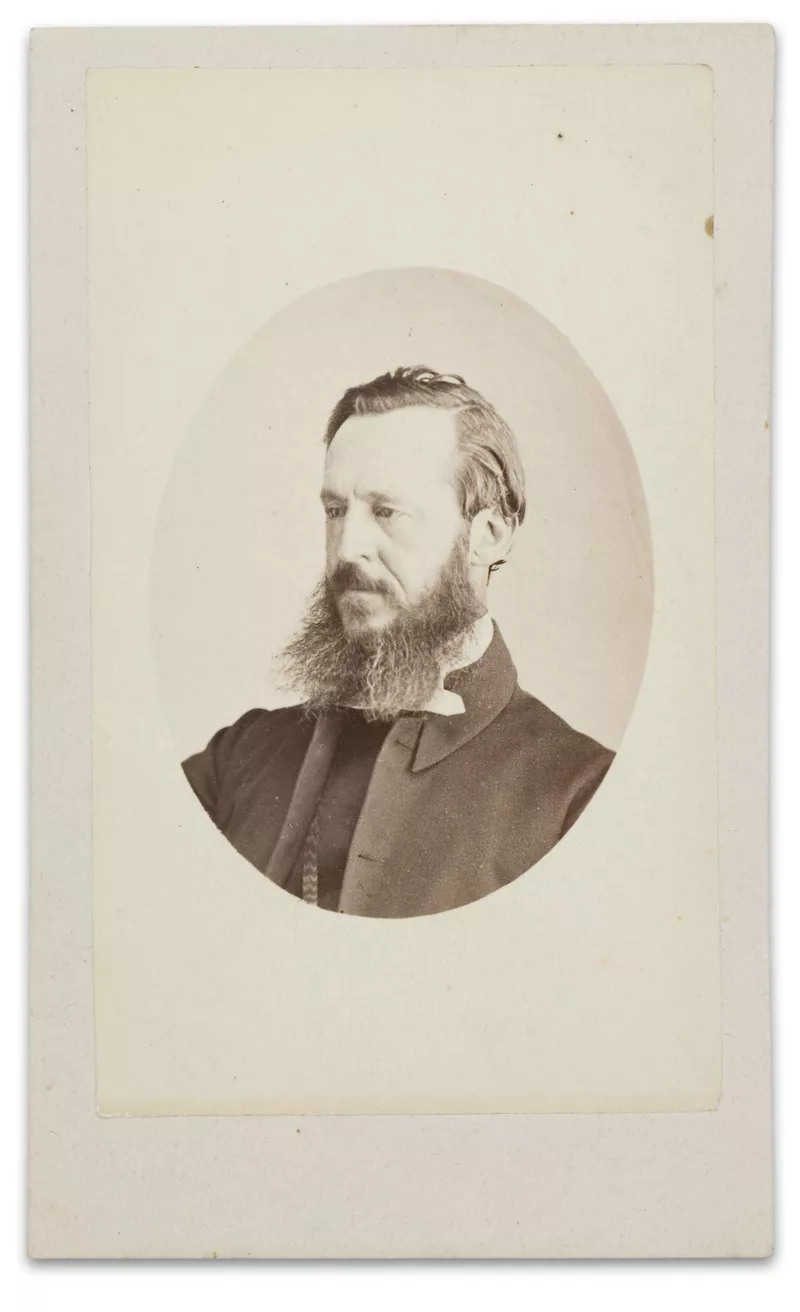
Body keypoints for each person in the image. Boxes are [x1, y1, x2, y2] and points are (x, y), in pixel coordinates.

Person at [182, 366, 614, 917]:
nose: (346, 549)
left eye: (387, 512)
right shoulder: (236, 757)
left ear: (488, 536)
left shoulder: (580, 796)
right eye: (335, 511)